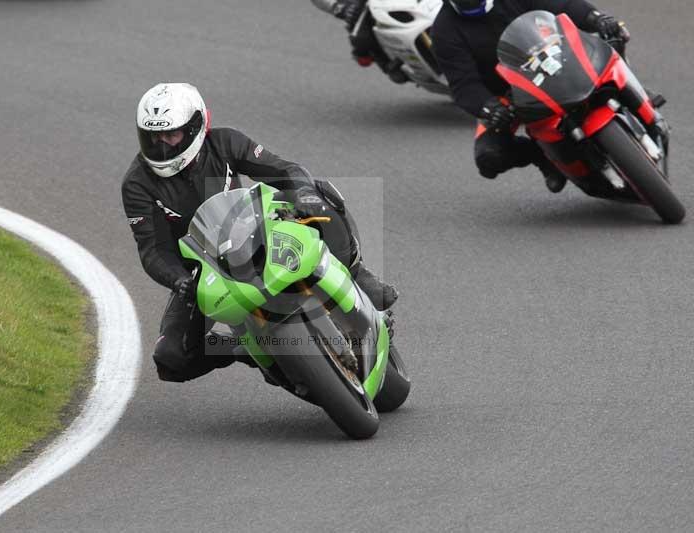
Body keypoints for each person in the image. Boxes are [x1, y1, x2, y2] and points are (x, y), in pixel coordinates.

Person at [121, 82, 398, 382]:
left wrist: (302, 192)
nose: (162, 146)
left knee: (317, 196)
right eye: (153, 137)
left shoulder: (224, 142)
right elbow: (153, 250)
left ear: (195, 127)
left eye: (170, 135)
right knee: (170, 359)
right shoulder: (137, 184)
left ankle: (355, 273)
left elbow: (282, 169)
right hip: (204, 273)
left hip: (255, 233)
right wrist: (179, 280)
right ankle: (244, 348)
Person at [432, 0, 636, 193]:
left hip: (560, 60)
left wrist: (595, 17)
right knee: (489, 158)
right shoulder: (444, 31)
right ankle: (543, 156)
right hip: (511, 93)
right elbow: (464, 85)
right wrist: (489, 107)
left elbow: (561, 4)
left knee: (612, 40)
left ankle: (637, 99)